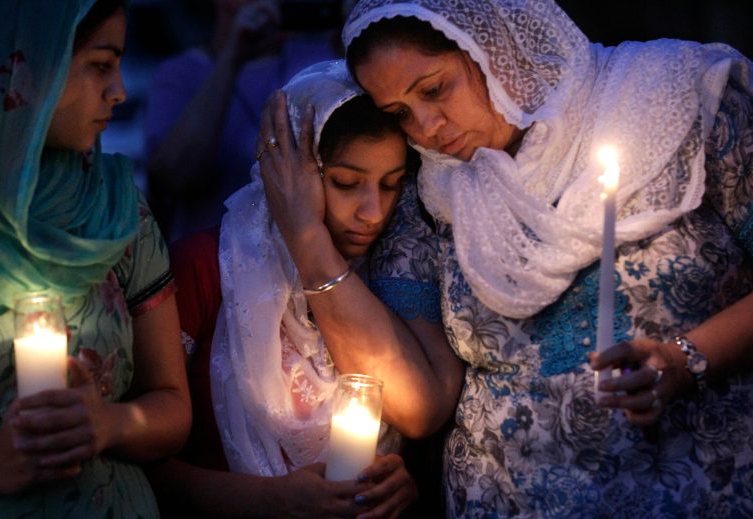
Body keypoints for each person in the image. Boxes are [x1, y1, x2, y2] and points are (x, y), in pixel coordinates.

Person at [259, 0, 753, 516]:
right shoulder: (431, 188)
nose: (426, 127)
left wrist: (685, 358)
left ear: (493, 41)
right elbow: (419, 401)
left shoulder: (675, 97)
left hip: (698, 485)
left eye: (434, 89)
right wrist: (306, 240)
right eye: (400, 114)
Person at [147, 60, 459, 518]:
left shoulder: (388, 273)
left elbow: (416, 419)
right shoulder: (206, 268)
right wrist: (272, 500)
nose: (373, 211)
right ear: (287, 172)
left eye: (391, 184)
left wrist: (398, 484)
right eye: (346, 183)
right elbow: (143, 468)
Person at [0, 1, 191, 517]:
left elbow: (171, 405)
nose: (118, 91)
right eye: (100, 64)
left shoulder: (117, 212)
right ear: (27, 62)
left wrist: (108, 424)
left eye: (120, 66)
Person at [144, 0, 339, 242]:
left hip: (304, 254)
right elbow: (173, 176)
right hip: (211, 262)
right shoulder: (179, 74)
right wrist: (232, 57)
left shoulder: (319, 57)